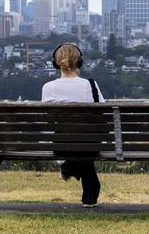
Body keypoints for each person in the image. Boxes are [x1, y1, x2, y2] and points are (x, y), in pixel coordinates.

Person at [41, 43, 104, 208]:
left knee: (78, 147)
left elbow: (48, 120)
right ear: (80, 62)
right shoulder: (91, 85)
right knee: (84, 147)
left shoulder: (48, 88)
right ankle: (78, 180)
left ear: (56, 63)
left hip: (62, 146)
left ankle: (69, 168)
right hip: (90, 145)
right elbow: (103, 113)